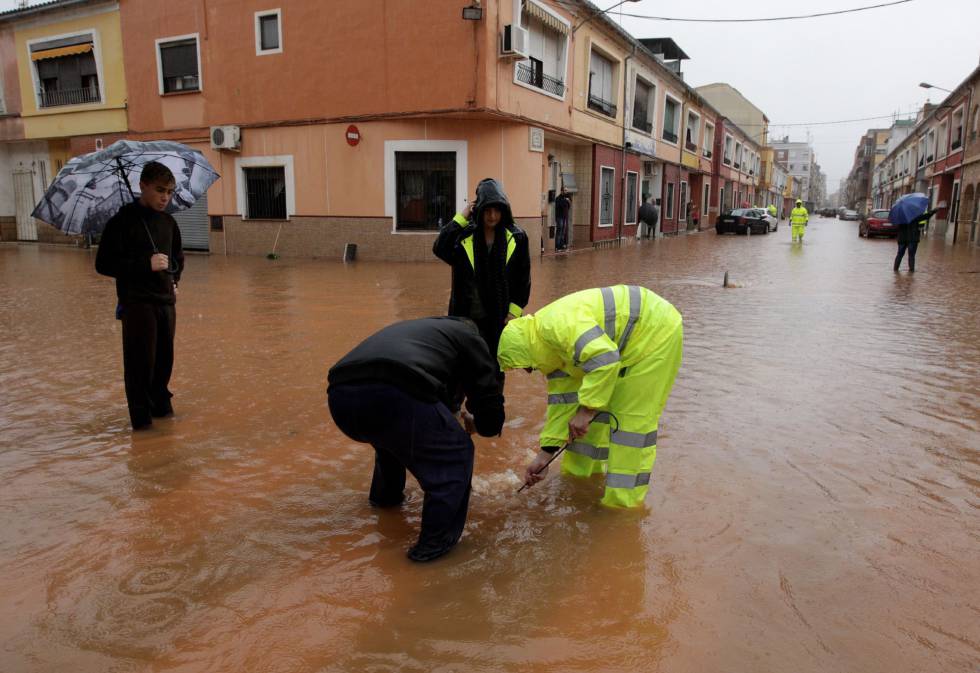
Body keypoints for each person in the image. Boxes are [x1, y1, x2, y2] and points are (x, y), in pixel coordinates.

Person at [327, 316, 505, 562]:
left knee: (392, 442)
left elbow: (435, 400)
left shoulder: (428, 336)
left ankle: (384, 505)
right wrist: (481, 424)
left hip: (340, 398)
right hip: (395, 390)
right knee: (456, 455)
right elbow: (489, 400)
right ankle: (432, 554)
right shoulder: (471, 337)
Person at [497, 285, 683, 508]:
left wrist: (586, 410)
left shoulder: (557, 327)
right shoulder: (551, 355)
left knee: (628, 427)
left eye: (523, 366)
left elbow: (606, 359)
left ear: (524, 350)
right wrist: (545, 456)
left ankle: (622, 509)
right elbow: (563, 404)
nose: (528, 371)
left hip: (654, 333)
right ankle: (579, 484)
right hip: (621, 345)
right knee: (583, 424)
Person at [95, 161, 184, 430]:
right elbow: (103, 264)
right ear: (142, 186)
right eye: (159, 190)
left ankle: (163, 415)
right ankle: (142, 425)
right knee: (140, 365)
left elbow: (178, 259)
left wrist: (175, 279)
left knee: (164, 362)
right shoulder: (121, 222)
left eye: (169, 192)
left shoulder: (169, 222)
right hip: (137, 304)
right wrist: (145, 264)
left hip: (166, 303)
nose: (165, 197)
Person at [433, 178, 531, 359]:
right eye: (487, 210)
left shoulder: (517, 237)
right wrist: (461, 218)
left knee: (495, 366)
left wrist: (513, 313)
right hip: (465, 318)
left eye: (496, 210)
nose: (492, 216)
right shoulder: (465, 236)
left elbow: (522, 279)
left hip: (498, 318)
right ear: (478, 210)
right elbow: (440, 248)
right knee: (465, 369)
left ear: (503, 210)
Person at [895, 202, 943, 272]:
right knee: (911, 256)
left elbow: (897, 227)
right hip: (912, 238)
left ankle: (895, 270)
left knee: (899, 254)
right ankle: (911, 271)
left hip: (902, 238)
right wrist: (935, 210)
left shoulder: (900, 217)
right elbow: (926, 216)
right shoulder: (914, 216)